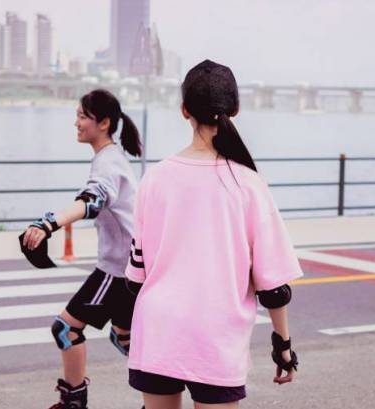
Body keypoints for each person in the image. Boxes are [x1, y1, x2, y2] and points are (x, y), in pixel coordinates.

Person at [125, 60, 303, 409]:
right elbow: (273, 287)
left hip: (158, 332)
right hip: (214, 338)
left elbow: (136, 276)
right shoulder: (249, 184)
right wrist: (282, 346)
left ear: (184, 111)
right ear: (234, 109)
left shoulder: (154, 179)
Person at [21, 89, 142, 409]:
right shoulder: (111, 158)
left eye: (82, 117)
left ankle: (74, 402)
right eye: (76, 115)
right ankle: (164, 386)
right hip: (129, 268)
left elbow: (93, 199)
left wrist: (47, 224)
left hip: (116, 271)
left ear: (103, 123)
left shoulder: (108, 164)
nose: (75, 123)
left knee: (65, 329)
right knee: (125, 337)